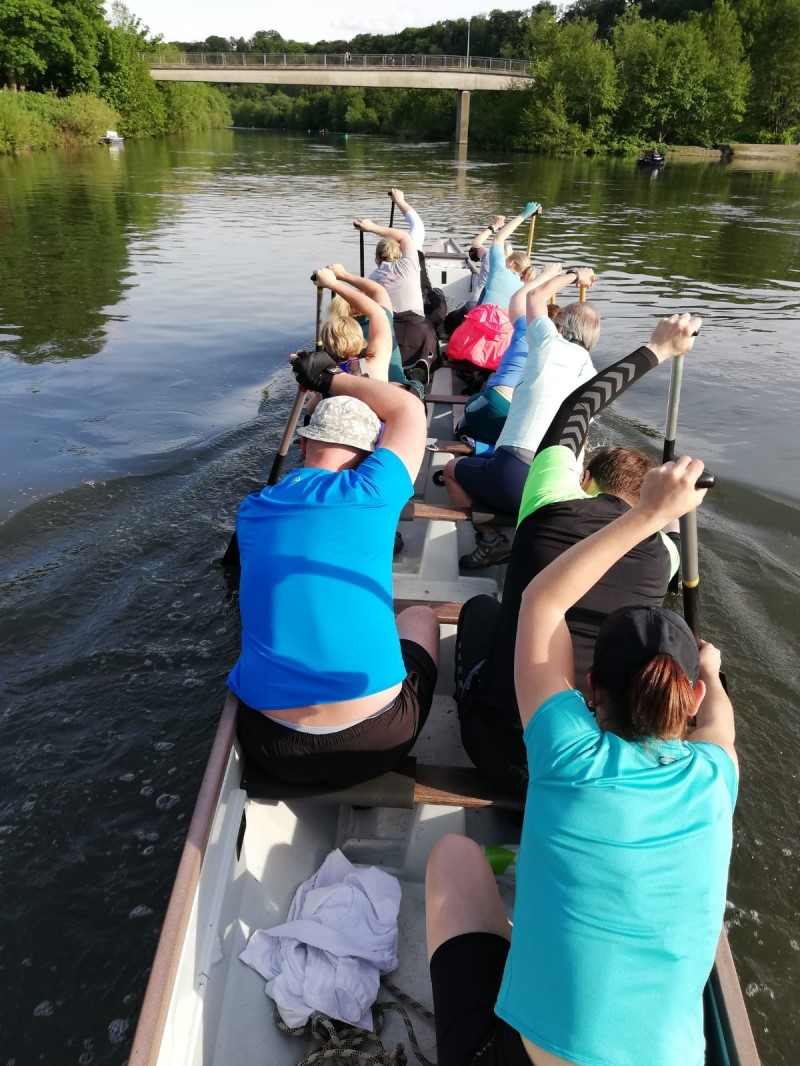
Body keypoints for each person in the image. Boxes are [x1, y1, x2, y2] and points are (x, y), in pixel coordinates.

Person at [426, 455, 737, 1066]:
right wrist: (712, 670)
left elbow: (543, 603)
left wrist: (650, 513)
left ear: (590, 689)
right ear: (692, 698)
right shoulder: (716, 776)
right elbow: (720, 721)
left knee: (454, 856)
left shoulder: (569, 754)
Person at [456, 312, 699, 797]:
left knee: (481, 608)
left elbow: (577, 408)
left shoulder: (549, 499)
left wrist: (658, 348)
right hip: (599, 774)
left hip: (498, 754)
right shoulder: (666, 556)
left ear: (585, 481)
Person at [228, 350, 439, 787]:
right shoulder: (375, 490)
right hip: (376, 744)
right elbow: (407, 408)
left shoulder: (251, 511)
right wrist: (327, 380)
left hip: (270, 745)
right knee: (419, 618)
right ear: (370, 453)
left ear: (303, 444)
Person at [445, 266, 599, 568]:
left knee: (451, 470)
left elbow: (536, 295)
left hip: (515, 474)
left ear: (559, 325)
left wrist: (574, 275)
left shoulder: (547, 343)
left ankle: (489, 539)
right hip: (558, 487)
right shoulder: (595, 377)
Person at [457, 263, 563, 445]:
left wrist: (548, 275)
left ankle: (475, 443)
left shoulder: (526, 328)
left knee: (471, 406)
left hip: (496, 403)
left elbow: (520, 296)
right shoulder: (566, 354)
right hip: (524, 422)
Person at [446, 203, 541, 380]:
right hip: (500, 348)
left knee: (457, 331)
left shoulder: (499, 269)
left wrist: (524, 214)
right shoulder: (526, 289)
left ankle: (467, 369)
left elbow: (498, 239)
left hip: (473, 338)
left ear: (510, 263)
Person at [358, 189, 439, 373]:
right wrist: (373, 226)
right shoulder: (410, 263)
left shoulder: (371, 280)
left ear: (377, 258)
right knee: (436, 301)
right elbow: (412, 229)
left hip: (389, 336)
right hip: (419, 334)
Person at [317, 263, 423, 396]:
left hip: (354, 398)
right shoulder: (382, 321)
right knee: (416, 386)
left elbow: (311, 406)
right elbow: (378, 292)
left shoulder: (331, 373)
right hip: (397, 395)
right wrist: (341, 277)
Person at [442, 214, 508, 337]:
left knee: (448, 321)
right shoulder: (513, 272)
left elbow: (476, 245)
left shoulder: (489, 255)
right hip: (496, 313)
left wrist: (494, 226)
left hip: (474, 307)